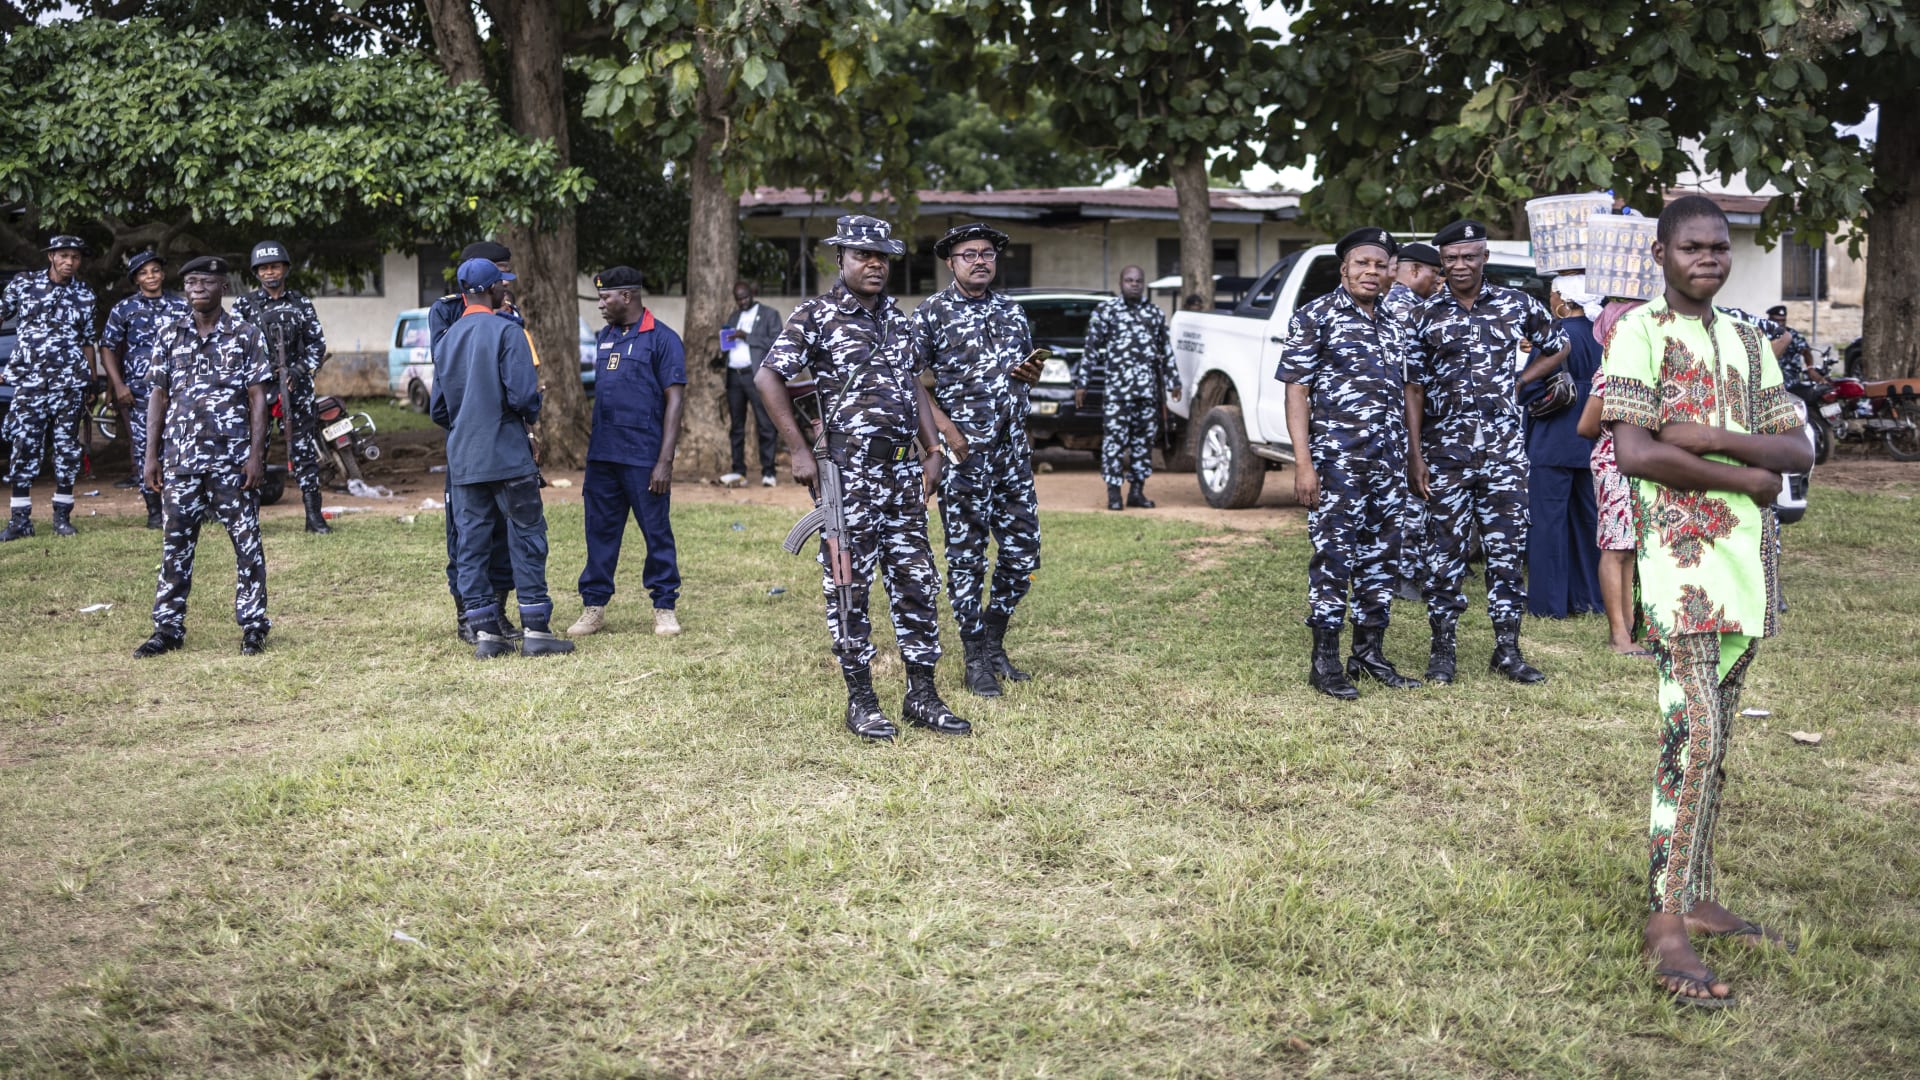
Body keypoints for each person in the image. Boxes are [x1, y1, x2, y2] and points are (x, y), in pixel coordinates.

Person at [1601, 195, 1810, 1008]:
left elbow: (1798, 447)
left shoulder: (1751, 341)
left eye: (1719, 248)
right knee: (1691, 738)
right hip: (1678, 568)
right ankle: (1666, 921)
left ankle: (1694, 894)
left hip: (1745, 567)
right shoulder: (1637, 332)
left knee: (1716, 739)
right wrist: (1748, 477)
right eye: (1692, 248)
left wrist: (1720, 441)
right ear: (1660, 254)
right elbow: (1635, 452)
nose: (1709, 259)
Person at [755, 214, 969, 741]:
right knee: (848, 585)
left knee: (917, 580)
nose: (874, 264)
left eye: (882, 257)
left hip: (902, 471)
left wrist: (932, 448)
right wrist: (798, 449)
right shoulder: (817, 315)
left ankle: (922, 695)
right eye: (862, 255)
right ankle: (863, 701)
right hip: (847, 473)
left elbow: (914, 385)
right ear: (841, 259)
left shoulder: (897, 319)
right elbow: (768, 376)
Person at [1404, 219, 1569, 685]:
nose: (1460, 265)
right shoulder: (1423, 315)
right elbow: (1413, 388)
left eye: (1468, 256)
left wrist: (1520, 381)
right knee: (1444, 554)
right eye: (1451, 258)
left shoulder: (1517, 304)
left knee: (1506, 552)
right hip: (1445, 453)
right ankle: (1442, 652)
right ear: (1442, 262)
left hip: (1504, 454)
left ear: (1484, 258)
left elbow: (1558, 346)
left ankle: (1508, 651)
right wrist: (1415, 455)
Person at [1276, 227, 1421, 699]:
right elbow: (1296, 391)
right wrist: (1303, 463)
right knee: (1334, 559)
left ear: (1390, 273)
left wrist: (1412, 457)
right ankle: (1325, 663)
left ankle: (1368, 654)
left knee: (1382, 559)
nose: (1371, 272)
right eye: (1362, 263)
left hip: (1388, 463)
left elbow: (1407, 391)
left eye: (1380, 265)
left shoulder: (1396, 322)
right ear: (1344, 269)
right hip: (1337, 463)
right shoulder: (1315, 316)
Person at [911, 222, 1044, 698]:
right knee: (967, 557)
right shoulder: (932, 313)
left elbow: (1018, 374)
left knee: (1023, 553)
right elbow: (908, 380)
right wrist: (945, 431)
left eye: (987, 253)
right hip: (964, 455)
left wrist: (1029, 375)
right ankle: (974, 659)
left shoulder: (1012, 311)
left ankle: (993, 642)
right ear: (951, 262)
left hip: (1011, 453)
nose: (980, 260)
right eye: (969, 254)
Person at [431, 257, 573, 659]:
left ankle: (486, 634)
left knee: (471, 544)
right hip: (508, 454)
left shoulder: (446, 340)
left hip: (464, 459)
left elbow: (438, 410)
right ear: (492, 289)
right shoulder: (508, 331)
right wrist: (531, 414)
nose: (505, 289)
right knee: (527, 537)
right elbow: (523, 396)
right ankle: (536, 630)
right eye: (502, 284)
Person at [133, 256, 272, 658]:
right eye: (191, 282)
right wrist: (150, 457)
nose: (197, 288)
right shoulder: (169, 334)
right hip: (180, 460)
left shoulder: (245, 334)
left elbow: (258, 398)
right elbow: (157, 396)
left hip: (232, 461)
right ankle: (167, 629)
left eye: (206, 282)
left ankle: (253, 626)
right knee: (175, 546)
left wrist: (256, 456)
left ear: (223, 287)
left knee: (247, 543)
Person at [568, 267, 686, 638]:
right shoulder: (605, 337)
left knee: (656, 533)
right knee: (599, 533)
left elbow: (675, 401)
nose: (601, 304)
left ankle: (664, 607)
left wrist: (665, 461)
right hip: (603, 456)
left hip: (644, 458)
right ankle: (594, 606)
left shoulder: (662, 339)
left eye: (606, 297)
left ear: (627, 296)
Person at [430, 240, 523, 644]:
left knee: (505, 528)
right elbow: (446, 378)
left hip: (504, 441)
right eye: (497, 271)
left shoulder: (509, 312)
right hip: (467, 441)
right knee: (465, 532)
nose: (505, 279)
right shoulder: (446, 312)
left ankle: (497, 610)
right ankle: (467, 614)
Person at [0, 235, 97, 541]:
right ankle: (20, 520)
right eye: (64, 255)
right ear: (51, 256)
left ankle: (62, 517)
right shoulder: (23, 284)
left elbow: (87, 340)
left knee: (66, 449)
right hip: (30, 383)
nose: (70, 262)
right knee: (23, 445)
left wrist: (91, 381)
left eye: (76, 257)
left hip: (69, 384)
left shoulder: (85, 294)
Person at [1520, 275, 1604, 619]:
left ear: (1564, 301)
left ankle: (1548, 604)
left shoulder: (1555, 336)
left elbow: (1528, 388)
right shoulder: (1605, 336)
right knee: (1588, 523)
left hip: (1553, 441)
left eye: (1552, 294)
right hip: (1593, 440)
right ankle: (1590, 599)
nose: (1549, 299)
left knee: (1547, 523)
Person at [232, 239, 330, 534]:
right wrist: (261, 374)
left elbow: (317, 345)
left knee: (304, 454)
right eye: (263, 268)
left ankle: (314, 517)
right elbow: (234, 349)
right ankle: (248, 519)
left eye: (274, 267)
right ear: (256, 273)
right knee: (254, 452)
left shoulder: (301, 303)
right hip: (258, 392)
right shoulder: (244, 306)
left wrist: (298, 371)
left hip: (296, 391)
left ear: (285, 268)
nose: (270, 272)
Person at [1076, 265, 1180, 511]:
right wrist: (1083, 383)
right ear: (1120, 283)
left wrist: (1174, 381)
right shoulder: (1107, 311)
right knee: (1114, 443)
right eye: (1129, 280)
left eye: (1138, 281)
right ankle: (1114, 494)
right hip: (1117, 394)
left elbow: (1165, 349)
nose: (1134, 284)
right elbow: (1091, 349)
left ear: (1143, 284)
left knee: (1143, 444)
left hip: (1147, 393)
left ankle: (1136, 492)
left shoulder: (1154, 313)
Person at [100, 251, 190, 530]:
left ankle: (181, 507)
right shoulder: (124, 308)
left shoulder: (181, 305)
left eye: (155, 270)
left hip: (178, 390)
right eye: (143, 272)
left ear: (163, 274)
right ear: (135, 279)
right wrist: (118, 384)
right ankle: (154, 510)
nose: (150, 276)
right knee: (145, 448)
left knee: (181, 446)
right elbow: (108, 347)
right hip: (140, 393)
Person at [1380, 241, 1444, 598]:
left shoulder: (1391, 306)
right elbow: (1413, 382)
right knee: (1412, 498)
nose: (1438, 282)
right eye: (1434, 274)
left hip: (1398, 417)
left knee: (1407, 496)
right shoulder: (1410, 312)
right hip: (1410, 417)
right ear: (1415, 270)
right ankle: (1404, 576)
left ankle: (1406, 572)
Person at [719, 281, 782, 487]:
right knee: (736, 426)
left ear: (752, 294)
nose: (742, 302)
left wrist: (746, 336)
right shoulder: (734, 316)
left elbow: (776, 341)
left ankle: (769, 472)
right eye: (738, 299)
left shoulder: (769, 314)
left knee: (765, 424)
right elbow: (728, 344)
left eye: (745, 297)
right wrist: (724, 345)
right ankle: (739, 471)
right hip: (734, 376)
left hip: (755, 376)